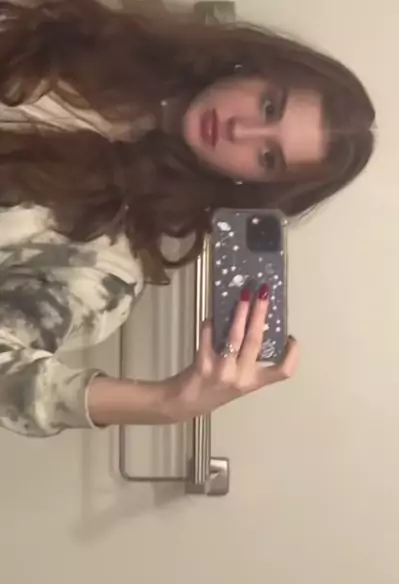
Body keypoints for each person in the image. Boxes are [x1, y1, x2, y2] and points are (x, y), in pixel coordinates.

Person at [0, 0, 375, 438]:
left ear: (255, 186)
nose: (241, 130)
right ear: (258, 68)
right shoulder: (110, 19)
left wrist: (166, 404)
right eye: (270, 107)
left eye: (267, 156)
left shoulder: (107, 257)